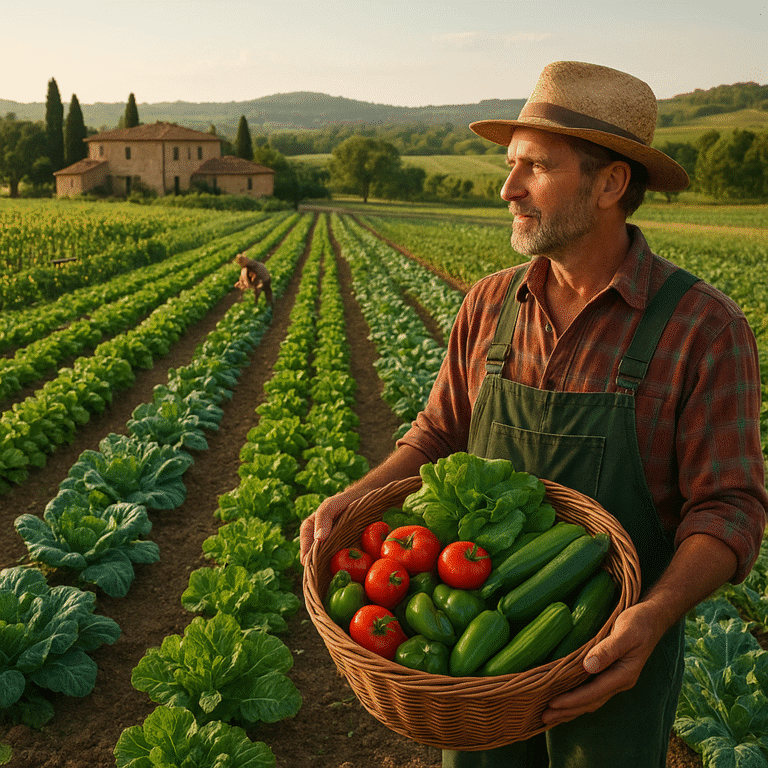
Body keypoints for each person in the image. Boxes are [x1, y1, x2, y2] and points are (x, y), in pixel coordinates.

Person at [299, 61, 768, 767]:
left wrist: (655, 615)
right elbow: (437, 436)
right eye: (510, 164)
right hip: (478, 650)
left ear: (610, 184)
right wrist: (359, 494)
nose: (506, 188)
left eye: (535, 167)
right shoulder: (489, 304)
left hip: (612, 656)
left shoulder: (702, 328)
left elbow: (729, 510)